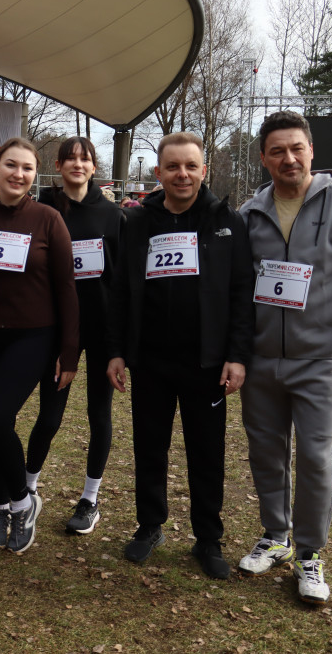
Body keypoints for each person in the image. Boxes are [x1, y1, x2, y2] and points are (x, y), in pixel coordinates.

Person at [237, 110, 332, 605]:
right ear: (264, 158)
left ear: (312, 151)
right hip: (260, 362)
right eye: (277, 150)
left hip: (322, 361)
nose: (288, 158)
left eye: (296, 148)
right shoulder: (250, 213)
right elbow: (236, 290)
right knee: (265, 454)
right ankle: (275, 536)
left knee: (316, 458)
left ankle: (309, 554)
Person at [106, 131, 254, 579]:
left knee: (206, 453)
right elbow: (118, 293)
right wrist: (116, 351)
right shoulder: (136, 222)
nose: (182, 174)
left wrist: (237, 355)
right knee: (150, 447)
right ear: (159, 173)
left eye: (191, 166)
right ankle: (150, 526)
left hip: (206, 363)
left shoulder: (226, 221)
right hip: (150, 360)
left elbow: (242, 293)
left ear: (203, 170)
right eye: (173, 167)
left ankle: (208, 539)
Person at [0, 137, 79, 554]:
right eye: (11, 165)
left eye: (26, 168)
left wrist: (69, 351)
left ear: (33, 173)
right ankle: (2, 507)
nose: (18, 174)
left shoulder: (49, 220)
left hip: (34, 336)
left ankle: (23, 503)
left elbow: (66, 288)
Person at [24, 136, 123, 535]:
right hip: (58, 327)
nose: (78, 165)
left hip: (100, 328)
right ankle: (28, 488)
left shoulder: (113, 215)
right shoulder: (44, 209)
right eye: (70, 159)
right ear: (59, 164)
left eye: (85, 159)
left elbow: (119, 280)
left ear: (94, 167)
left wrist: (120, 340)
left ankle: (89, 499)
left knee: (99, 415)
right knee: (49, 415)